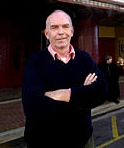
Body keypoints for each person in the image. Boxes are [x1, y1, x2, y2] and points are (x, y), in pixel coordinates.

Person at [22, 10, 107, 148]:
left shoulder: (84, 58)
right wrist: (82, 95)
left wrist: (64, 94)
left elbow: (101, 91)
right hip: (44, 142)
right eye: (54, 27)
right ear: (47, 34)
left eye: (65, 26)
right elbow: (33, 107)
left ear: (72, 31)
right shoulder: (34, 61)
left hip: (83, 141)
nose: (61, 32)